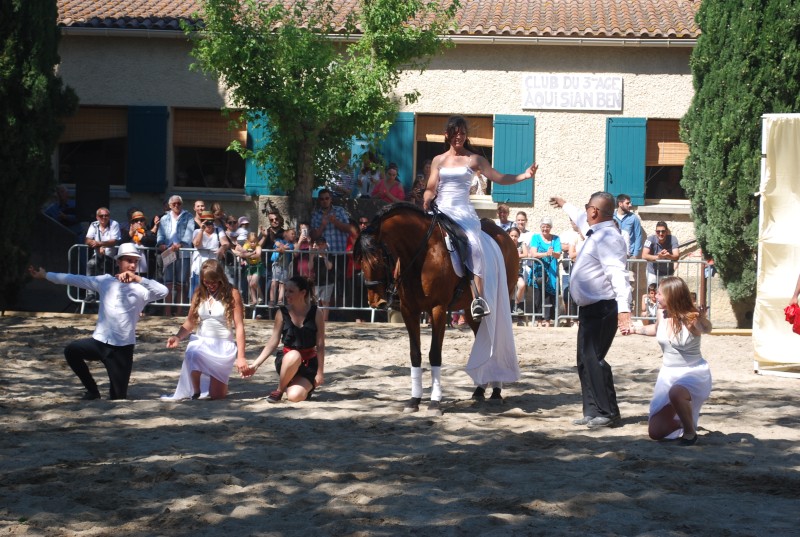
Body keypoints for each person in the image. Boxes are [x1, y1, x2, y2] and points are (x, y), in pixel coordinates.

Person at [423, 115, 537, 394]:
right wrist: (426, 196)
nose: (458, 137)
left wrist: (523, 176)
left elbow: (499, 177)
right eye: (454, 133)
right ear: (447, 135)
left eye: (462, 133)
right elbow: (431, 185)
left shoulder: (474, 160)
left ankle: (477, 298)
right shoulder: (438, 160)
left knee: (473, 243)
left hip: (462, 213)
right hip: (440, 210)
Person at [28, 243, 168, 400]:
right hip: (100, 342)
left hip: (123, 348)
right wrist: (46, 275)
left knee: (118, 397)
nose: (132, 264)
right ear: (118, 262)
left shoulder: (142, 289)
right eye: (128, 260)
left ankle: (110, 392)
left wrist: (138, 278)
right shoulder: (105, 281)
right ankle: (92, 391)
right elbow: (74, 279)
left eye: (135, 261)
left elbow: (163, 291)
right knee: (71, 351)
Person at [568, 191, 632, 429]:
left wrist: (624, 309)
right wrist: (565, 204)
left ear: (594, 211)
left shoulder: (609, 238)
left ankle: (608, 412)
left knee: (594, 358)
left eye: (588, 207)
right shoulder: (597, 231)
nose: (585, 212)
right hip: (590, 308)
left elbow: (617, 273)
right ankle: (592, 409)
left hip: (603, 306)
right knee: (584, 360)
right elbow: (579, 217)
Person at [631, 276, 712, 445]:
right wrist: (634, 329)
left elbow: (706, 328)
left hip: (693, 372)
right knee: (656, 432)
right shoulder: (661, 313)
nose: (656, 297)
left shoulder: (691, 318)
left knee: (677, 392)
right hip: (668, 374)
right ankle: (684, 419)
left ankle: (690, 433)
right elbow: (654, 329)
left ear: (671, 296)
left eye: (660, 294)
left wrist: (701, 318)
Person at [163, 259, 248, 400]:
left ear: (220, 278)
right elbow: (191, 321)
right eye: (206, 282)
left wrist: (241, 357)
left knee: (217, 395)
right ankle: (195, 390)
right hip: (202, 340)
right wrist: (178, 337)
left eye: (214, 282)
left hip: (222, 345)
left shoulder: (232, 293)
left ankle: (215, 384)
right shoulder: (199, 293)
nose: (210, 286)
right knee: (193, 352)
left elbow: (239, 326)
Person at [245, 275, 325, 403]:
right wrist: (255, 365)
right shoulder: (281, 313)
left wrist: (320, 372)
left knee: (295, 397)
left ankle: (302, 386)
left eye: (291, 291)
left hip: (308, 363)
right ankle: (279, 390)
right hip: (287, 360)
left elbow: (320, 344)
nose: (286, 294)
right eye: (285, 290)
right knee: (294, 355)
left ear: (303, 293)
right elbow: (273, 341)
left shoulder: (316, 313)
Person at [157, 195, 194, 316]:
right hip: (168, 251)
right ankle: (167, 312)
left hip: (183, 253)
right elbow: (160, 233)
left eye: (178, 203)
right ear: (169, 205)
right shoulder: (164, 218)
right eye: (174, 204)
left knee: (181, 284)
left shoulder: (188, 216)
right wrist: (161, 244)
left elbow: (189, 234)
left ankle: (178, 312)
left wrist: (180, 244)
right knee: (167, 283)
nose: (176, 205)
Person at [529, 216, 562, 327]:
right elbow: (533, 253)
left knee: (549, 295)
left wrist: (552, 253)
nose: (545, 229)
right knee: (538, 296)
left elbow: (558, 254)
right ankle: (539, 320)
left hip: (551, 270)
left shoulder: (556, 239)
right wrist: (546, 254)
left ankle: (547, 320)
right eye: (543, 226)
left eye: (547, 227)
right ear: (540, 227)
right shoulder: (535, 238)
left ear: (550, 228)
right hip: (538, 270)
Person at [190, 210, 231, 299]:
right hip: (199, 265)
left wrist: (222, 248)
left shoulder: (218, 230)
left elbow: (226, 243)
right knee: (197, 291)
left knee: (213, 290)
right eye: (206, 222)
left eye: (210, 222)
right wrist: (202, 229)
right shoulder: (197, 231)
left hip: (213, 266)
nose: (209, 225)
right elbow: (196, 244)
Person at [84, 207, 121, 302]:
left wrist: (99, 244)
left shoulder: (114, 224)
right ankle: (90, 293)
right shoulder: (94, 224)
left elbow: (114, 241)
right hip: (97, 255)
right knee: (90, 265)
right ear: (97, 217)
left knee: (107, 277)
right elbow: (87, 239)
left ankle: (108, 297)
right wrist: (96, 245)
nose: (104, 217)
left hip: (111, 257)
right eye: (101, 216)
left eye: (106, 215)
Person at [642, 221, 680, 287]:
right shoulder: (650, 239)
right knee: (652, 295)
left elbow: (676, 256)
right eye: (658, 231)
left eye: (663, 231)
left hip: (667, 273)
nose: (660, 233)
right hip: (652, 273)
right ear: (655, 232)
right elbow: (644, 255)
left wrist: (668, 256)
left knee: (666, 295)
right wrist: (658, 257)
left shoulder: (673, 239)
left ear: (667, 232)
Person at [121, 210, 157, 278]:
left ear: (144, 222)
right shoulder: (126, 233)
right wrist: (130, 235)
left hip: (145, 269)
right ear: (132, 223)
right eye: (136, 220)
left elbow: (153, 242)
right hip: (130, 268)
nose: (139, 222)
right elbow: (120, 244)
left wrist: (142, 238)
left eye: (141, 220)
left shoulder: (149, 233)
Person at [236, 231, 265, 307]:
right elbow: (243, 254)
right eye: (251, 242)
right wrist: (251, 253)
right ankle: (254, 299)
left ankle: (261, 295)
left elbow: (258, 255)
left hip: (257, 266)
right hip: (249, 266)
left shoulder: (258, 246)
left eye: (254, 242)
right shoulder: (246, 245)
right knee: (250, 282)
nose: (253, 244)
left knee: (253, 282)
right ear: (248, 241)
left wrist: (247, 254)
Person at [613, 194, 643, 259]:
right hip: (613, 254)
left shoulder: (634, 218)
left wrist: (635, 255)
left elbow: (638, 236)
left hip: (628, 256)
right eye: (627, 203)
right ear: (620, 204)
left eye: (630, 203)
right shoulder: (611, 217)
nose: (630, 205)